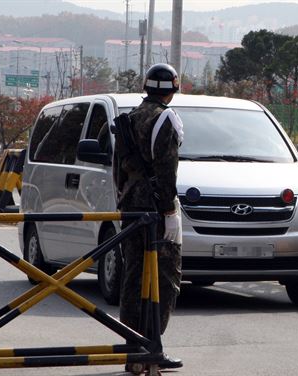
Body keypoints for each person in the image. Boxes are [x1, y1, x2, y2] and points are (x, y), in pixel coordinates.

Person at [114, 63, 184, 371]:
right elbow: (166, 170)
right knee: (165, 279)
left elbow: (119, 168)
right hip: (156, 208)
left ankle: (133, 350)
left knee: (133, 277)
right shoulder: (164, 118)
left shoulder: (130, 118)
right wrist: (168, 210)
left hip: (131, 205)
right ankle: (152, 348)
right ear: (173, 88)